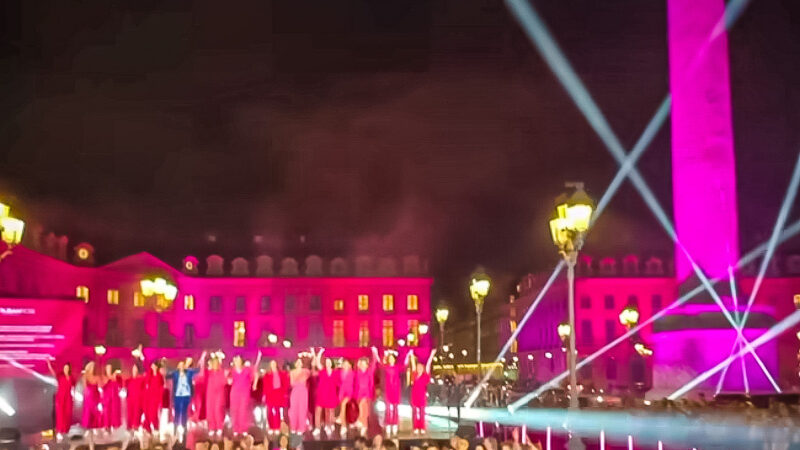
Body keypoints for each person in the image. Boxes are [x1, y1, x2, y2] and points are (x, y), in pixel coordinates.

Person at [167, 353, 204, 436]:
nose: (181, 367)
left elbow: (197, 370)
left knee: (184, 413)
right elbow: (167, 374)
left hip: (186, 396)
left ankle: (184, 430)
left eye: (183, 365)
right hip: (177, 396)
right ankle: (175, 430)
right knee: (177, 413)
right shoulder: (175, 374)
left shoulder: (189, 373)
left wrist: (201, 359)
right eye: (180, 365)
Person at [229, 352, 261, 436]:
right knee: (235, 410)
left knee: (243, 410)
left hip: (244, 393)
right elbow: (229, 381)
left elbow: (256, 374)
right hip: (235, 393)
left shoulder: (247, 369)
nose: (237, 362)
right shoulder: (232, 371)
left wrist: (255, 384)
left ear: (241, 361)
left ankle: (243, 429)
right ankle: (236, 429)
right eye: (236, 360)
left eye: (239, 360)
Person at [372, 347, 401, 437]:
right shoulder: (385, 367)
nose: (391, 359)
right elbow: (380, 363)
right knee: (388, 408)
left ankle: (395, 424)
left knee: (395, 408)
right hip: (388, 390)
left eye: (393, 358)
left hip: (396, 389)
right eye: (390, 358)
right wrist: (376, 353)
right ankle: (388, 424)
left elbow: (405, 364)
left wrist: (409, 355)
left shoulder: (397, 367)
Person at [46, 360, 77, 441]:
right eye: (64, 368)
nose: (65, 369)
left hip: (68, 398)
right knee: (60, 414)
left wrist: (74, 396)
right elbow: (53, 372)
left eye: (67, 368)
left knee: (67, 414)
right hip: (60, 397)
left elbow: (73, 388)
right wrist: (49, 364)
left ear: (69, 369)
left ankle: (66, 430)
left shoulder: (71, 377)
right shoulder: (60, 376)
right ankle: (59, 431)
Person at [409, 349, 436, 435]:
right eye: (418, 367)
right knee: (415, 412)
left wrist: (431, 355)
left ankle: (422, 427)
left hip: (422, 396)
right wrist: (412, 354)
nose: (419, 368)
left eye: (420, 367)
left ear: (423, 368)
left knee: (421, 412)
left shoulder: (425, 376)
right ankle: (416, 427)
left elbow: (428, 365)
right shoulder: (414, 375)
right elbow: (413, 364)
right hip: (414, 396)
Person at [312, 348, 338, 435]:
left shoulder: (335, 372)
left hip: (331, 394)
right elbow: (317, 362)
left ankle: (329, 425)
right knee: (318, 411)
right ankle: (317, 428)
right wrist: (320, 352)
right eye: (326, 362)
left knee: (329, 411)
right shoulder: (322, 371)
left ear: (331, 364)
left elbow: (337, 383)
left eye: (329, 362)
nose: (328, 363)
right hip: (322, 393)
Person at [260, 359, 289, 435]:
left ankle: (277, 427)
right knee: (270, 411)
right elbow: (265, 386)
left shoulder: (281, 374)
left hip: (278, 394)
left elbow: (285, 384)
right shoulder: (267, 375)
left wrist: (285, 393)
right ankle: (271, 427)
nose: (273, 365)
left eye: (274, 363)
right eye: (272, 364)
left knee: (277, 411)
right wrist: (264, 395)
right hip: (270, 394)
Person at [205, 354, 228, 438]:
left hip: (219, 394)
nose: (215, 365)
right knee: (210, 411)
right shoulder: (209, 373)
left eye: (216, 363)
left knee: (218, 410)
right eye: (213, 363)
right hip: (210, 394)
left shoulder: (221, 372)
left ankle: (219, 427)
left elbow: (225, 382)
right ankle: (211, 427)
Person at [287, 356, 311, 434]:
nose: (298, 363)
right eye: (297, 362)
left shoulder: (306, 371)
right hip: (295, 391)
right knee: (293, 409)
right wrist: (298, 380)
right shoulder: (292, 372)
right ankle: (293, 427)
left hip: (303, 392)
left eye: (300, 362)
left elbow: (308, 376)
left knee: (302, 409)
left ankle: (301, 428)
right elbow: (291, 383)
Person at [355, 352, 377, 434]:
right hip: (359, 393)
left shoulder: (369, 372)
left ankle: (363, 424)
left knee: (363, 406)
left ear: (367, 365)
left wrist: (374, 353)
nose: (363, 365)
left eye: (364, 364)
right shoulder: (358, 372)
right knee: (363, 409)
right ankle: (363, 423)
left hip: (367, 392)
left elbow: (374, 363)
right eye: (362, 364)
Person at [144, 360, 165, 433]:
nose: (153, 367)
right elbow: (146, 385)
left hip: (156, 397)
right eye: (152, 366)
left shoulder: (160, 376)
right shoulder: (149, 375)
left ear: (156, 367)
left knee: (154, 412)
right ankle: (148, 426)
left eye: (154, 366)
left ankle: (155, 426)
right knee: (148, 412)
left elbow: (161, 386)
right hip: (149, 396)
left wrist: (160, 397)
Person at [80, 361, 101, 435]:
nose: (93, 368)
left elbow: (99, 386)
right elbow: (85, 387)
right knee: (88, 411)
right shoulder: (85, 376)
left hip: (96, 396)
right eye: (92, 367)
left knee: (95, 412)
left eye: (94, 367)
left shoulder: (96, 377)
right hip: (89, 396)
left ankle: (94, 427)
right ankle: (88, 428)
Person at [100, 363, 122, 432]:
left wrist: (115, 378)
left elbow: (120, 386)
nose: (109, 370)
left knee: (114, 412)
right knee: (107, 413)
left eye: (110, 368)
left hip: (115, 398)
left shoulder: (117, 378)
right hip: (106, 399)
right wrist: (108, 379)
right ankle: (107, 427)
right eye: (107, 368)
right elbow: (101, 386)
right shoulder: (104, 378)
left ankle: (115, 426)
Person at [125, 363, 146, 433]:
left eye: (136, 369)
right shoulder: (129, 380)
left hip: (138, 400)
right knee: (130, 414)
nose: (134, 370)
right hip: (130, 400)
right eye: (133, 369)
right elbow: (125, 389)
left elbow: (144, 388)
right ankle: (130, 430)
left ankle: (136, 429)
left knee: (137, 414)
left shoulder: (141, 380)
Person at [336, 358, 355, 434]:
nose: (346, 365)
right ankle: (341, 418)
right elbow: (337, 381)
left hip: (350, 392)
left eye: (347, 364)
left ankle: (343, 426)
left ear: (350, 365)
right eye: (344, 363)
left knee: (343, 404)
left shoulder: (353, 373)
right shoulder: (340, 372)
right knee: (342, 406)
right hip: (341, 392)